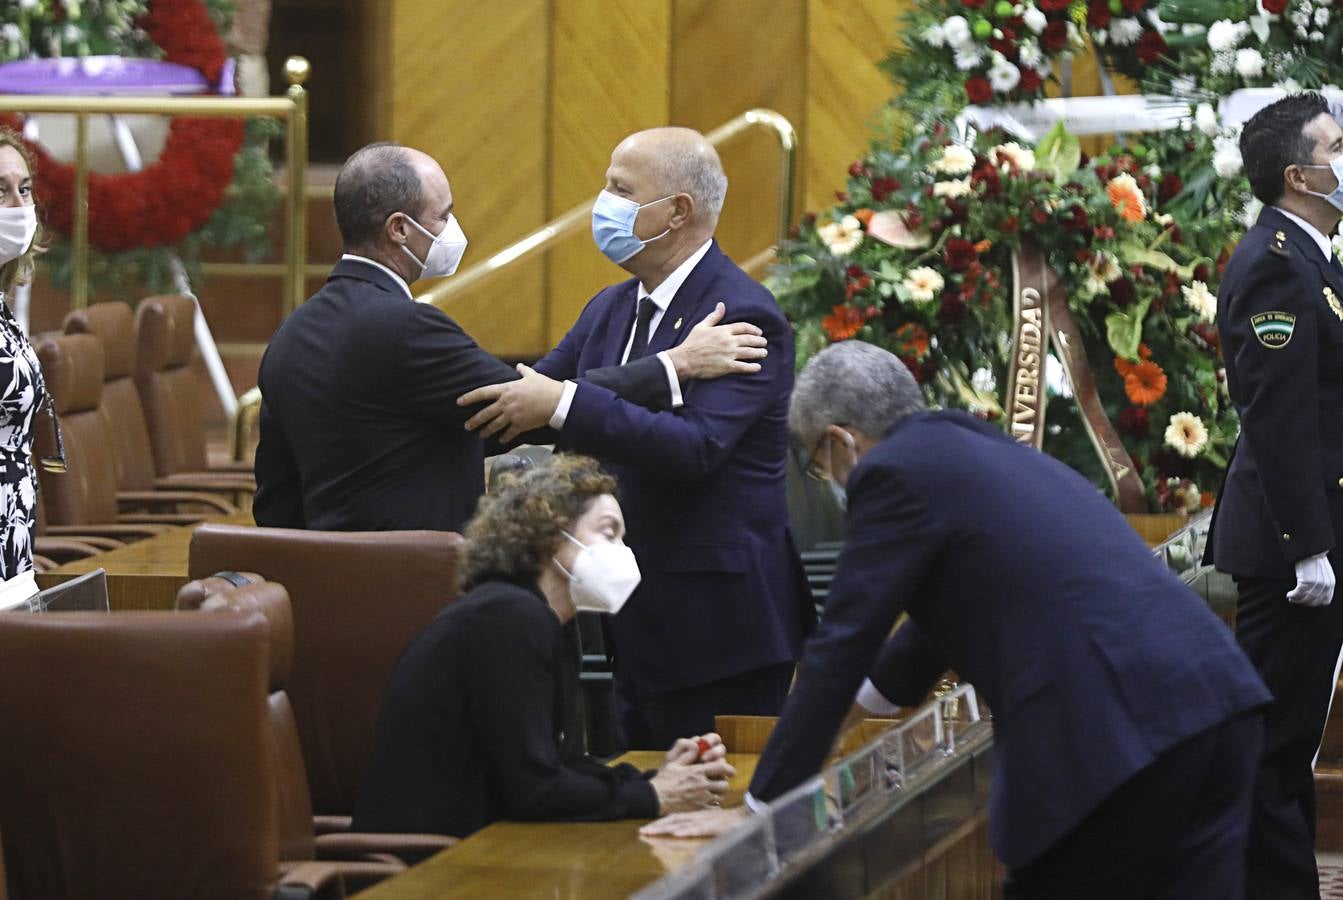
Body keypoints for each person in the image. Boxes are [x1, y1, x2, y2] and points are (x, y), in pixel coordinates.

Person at [644, 341, 1271, 900]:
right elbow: (923, 638)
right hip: (1214, 703)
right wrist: (842, 727)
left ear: (841, 441)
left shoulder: (892, 474)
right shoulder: (971, 447)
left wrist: (759, 809)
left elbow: (844, 642)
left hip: (1117, 739)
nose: (827, 480)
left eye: (816, 462)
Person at [459, 127, 814, 749]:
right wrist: (657, 371)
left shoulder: (743, 315)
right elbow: (536, 399)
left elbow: (693, 447)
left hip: (717, 628)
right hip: (624, 614)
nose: (604, 203)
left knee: (711, 818)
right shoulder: (611, 307)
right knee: (643, 812)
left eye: (621, 190)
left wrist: (564, 401)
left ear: (677, 211)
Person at [254, 141, 764, 533]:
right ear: (399, 230)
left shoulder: (290, 335)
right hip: (412, 588)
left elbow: (275, 498)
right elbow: (525, 411)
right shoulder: (407, 327)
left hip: (319, 594)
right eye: (444, 215)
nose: (453, 229)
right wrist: (672, 366)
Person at [353, 455, 735, 841]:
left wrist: (657, 779)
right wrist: (652, 795)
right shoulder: (508, 618)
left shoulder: (536, 617)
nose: (623, 551)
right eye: (608, 533)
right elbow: (534, 790)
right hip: (436, 865)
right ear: (551, 532)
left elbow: (560, 767)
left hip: (480, 841)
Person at [1204, 92, 1343, 900]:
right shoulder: (1272, 262)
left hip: (1312, 532)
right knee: (1273, 743)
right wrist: (1308, 545)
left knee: (1290, 742)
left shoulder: (1312, 257)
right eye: (1336, 146)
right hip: (1293, 550)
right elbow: (1277, 414)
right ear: (1299, 174)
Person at [0, 128, 52, 582]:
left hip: (15, 555)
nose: (18, 206)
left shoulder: (2, 307)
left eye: (24, 189)